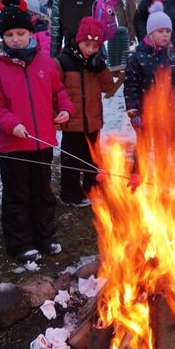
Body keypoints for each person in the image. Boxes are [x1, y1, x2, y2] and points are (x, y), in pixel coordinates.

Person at [0, 0, 73, 263]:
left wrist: (65, 110)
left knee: (43, 193)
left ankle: (45, 237)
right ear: (3, 37)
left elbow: (59, 91)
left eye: (20, 33)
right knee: (18, 196)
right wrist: (12, 124)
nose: (15, 39)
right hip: (14, 145)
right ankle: (20, 243)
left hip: (42, 141)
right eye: (9, 34)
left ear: (30, 33)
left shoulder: (45, 63)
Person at [124, 2, 175, 169]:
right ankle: (136, 177)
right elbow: (131, 87)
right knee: (143, 146)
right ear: (150, 33)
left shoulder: (174, 59)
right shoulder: (138, 58)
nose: (165, 35)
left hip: (168, 113)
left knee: (163, 148)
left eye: (168, 31)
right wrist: (133, 112)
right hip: (146, 114)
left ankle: (161, 178)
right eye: (160, 31)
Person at [54, 17, 114, 207]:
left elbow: (108, 87)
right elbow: (54, 90)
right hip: (72, 123)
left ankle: (92, 188)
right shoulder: (63, 61)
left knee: (93, 158)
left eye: (95, 46)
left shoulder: (96, 63)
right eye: (86, 44)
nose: (90, 49)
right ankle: (69, 193)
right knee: (71, 160)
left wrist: (101, 67)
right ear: (78, 40)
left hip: (93, 120)